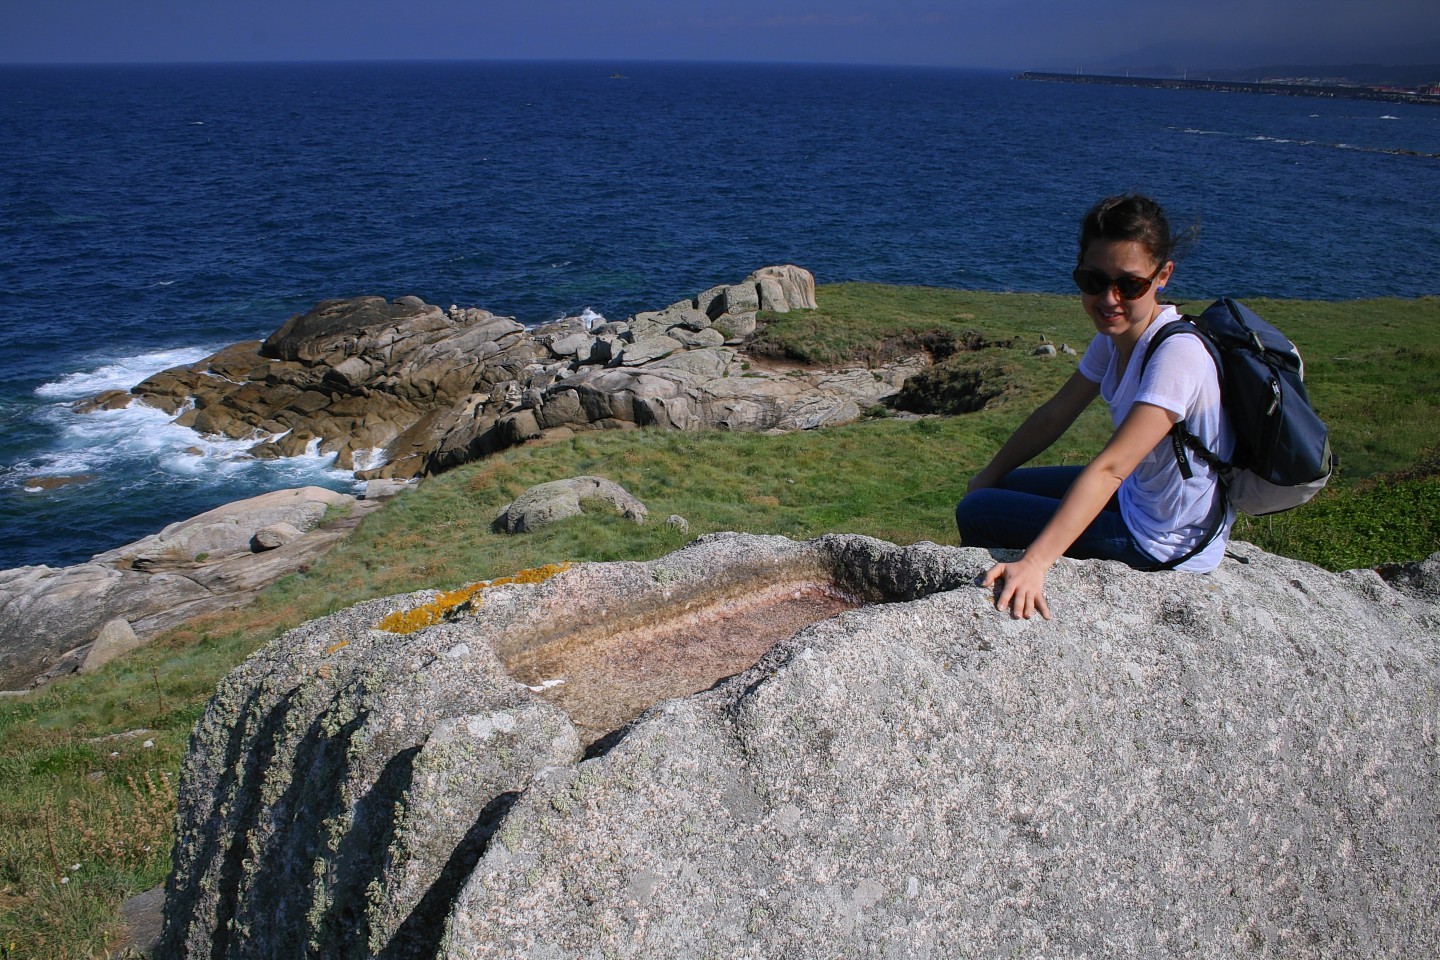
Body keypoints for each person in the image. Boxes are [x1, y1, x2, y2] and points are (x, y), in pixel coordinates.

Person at [955, 194, 1235, 621]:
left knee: (977, 511)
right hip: (1139, 500)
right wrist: (989, 474)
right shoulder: (1115, 339)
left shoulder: (1176, 355)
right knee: (995, 489)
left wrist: (1035, 563)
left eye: (1129, 284)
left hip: (1162, 540)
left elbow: (1112, 468)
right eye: (1093, 280)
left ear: (1163, 277)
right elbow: (1055, 414)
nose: (1109, 299)